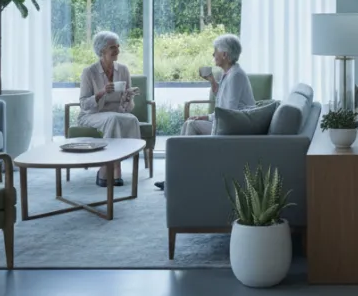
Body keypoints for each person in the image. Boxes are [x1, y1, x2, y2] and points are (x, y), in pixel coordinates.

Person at [154, 33, 255, 191]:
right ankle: (177, 176)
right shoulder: (229, 73)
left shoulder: (235, 76)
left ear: (224, 54)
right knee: (191, 123)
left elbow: (228, 112)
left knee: (192, 125)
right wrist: (212, 82)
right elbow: (224, 101)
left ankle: (177, 177)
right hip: (230, 123)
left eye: (215, 51)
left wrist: (207, 117)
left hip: (234, 128)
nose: (213, 54)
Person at [78, 31, 141, 187]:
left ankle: (116, 165)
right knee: (112, 119)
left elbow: (126, 109)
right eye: (113, 47)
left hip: (116, 114)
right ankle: (106, 168)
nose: (117, 50)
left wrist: (128, 97)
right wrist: (101, 93)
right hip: (92, 114)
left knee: (132, 119)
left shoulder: (123, 70)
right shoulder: (89, 72)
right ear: (101, 51)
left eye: (118, 46)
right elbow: (83, 104)